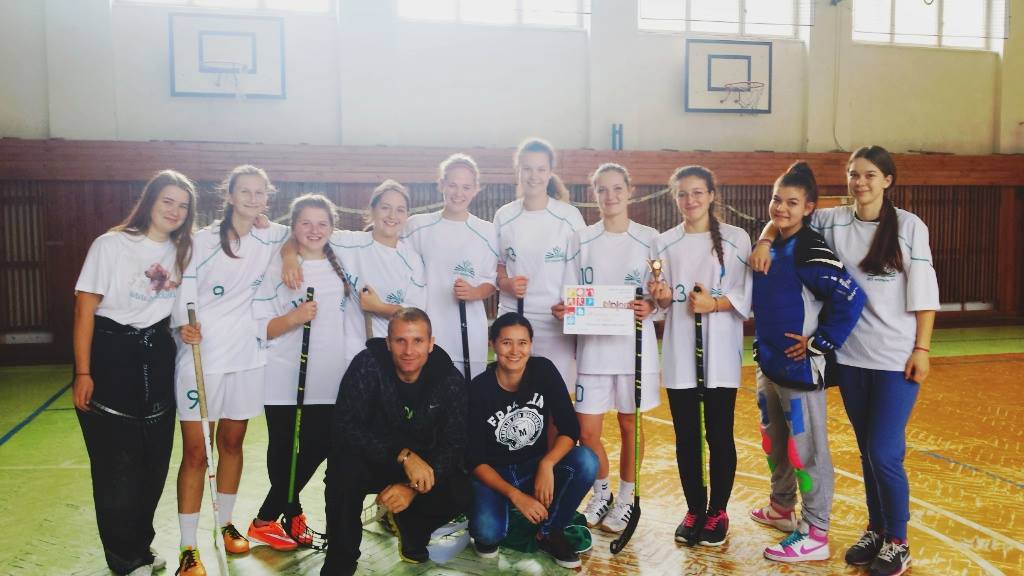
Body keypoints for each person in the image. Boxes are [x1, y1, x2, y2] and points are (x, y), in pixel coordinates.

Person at [750, 146, 939, 576]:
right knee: (867, 451)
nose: (860, 182)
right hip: (851, 357)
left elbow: (925, 293)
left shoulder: (909, 226)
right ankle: (876, 528)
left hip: (895, 358)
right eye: (854, 174)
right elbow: (785, 214)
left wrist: (922, 349)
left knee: (884, 452)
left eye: (870, 175)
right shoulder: (832, 219)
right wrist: (763, 240)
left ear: (887, 180)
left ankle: (898, 540)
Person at [72, 170, 196, 576]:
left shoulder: (183, 250)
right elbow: (85, 310)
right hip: (111, 355)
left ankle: (140, 545)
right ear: (150, 202)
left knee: (154, 461)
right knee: (117, 466)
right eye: (167, 201)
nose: (174, 211)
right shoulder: (111, 244)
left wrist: (183, 330)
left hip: (157, 354)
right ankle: (124, 557)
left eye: (183, 205)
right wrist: (84, 372)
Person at [171, 165, 290, 575]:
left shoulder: (271, 235)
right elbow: (182, 293)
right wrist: (181, 326)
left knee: (233, 443)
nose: (253, 199)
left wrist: (289, 252)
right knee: (195, 452)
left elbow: (300, 236)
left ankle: (224, 523)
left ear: (266, 198)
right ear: (229, 196)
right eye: (245, 192)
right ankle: (188, 546)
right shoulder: (200, 241)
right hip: (201, 357)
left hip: (247, 355)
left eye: (260, 193)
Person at [749, 162, 865, 563]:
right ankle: (782, 507)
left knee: (807, 452)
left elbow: (851, 297)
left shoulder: (811, 249)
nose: (781, 208)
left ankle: (816, 532)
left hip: (800, 371)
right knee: (774, 441)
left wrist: (820, 343)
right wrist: (764, 238)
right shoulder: (773, 241)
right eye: (777, 200)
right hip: (769, 365)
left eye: (792, 202)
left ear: (809, 207)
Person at [321, 308, 471, 576]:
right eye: (400, 340)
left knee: (464, 488)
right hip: (372, 458)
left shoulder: (449, 379)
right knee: (342, 471)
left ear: (431, 343)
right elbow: (344, 426)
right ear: (388, 343)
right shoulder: (367, 365)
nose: (408, 350)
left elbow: (454, 443)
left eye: (417, 341)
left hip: (420, 464)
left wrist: (412, 488)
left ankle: (411, 525)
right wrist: (402, 455)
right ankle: (340, 562)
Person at [649, 165, 751, 547]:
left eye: (697, 192)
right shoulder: (663, 242)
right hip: (680, 353)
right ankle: (694, 508)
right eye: (682, 194)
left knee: (719, 435)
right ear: (674, 198)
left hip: (721, 354)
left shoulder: (736, 239)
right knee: (687, 437)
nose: (689, 200)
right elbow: (658, 299)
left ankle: (718, 511)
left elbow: (744, 295)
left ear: (711, 195)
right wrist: (660, 298)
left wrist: (714, 304)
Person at [555, 163, 660, 533]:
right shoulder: (580, 240)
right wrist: (565, 309)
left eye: (617, 188)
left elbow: (659, 293)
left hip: (635, 349)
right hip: (593, 350)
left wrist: (651, 306)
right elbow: (569, 293)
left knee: (630, 424)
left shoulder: (650, 238)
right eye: (602, 189)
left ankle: (627, 498)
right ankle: (601, 493)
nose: (610, 196)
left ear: (630, 191)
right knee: (587, 432)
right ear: (594, 194)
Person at [247, 194, 351, 550]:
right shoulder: (275, 268)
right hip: (283, 373)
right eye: (305, 223)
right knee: (283, 449)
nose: (314, 230)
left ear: (333, 227)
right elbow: (262, 327)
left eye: (322, 223)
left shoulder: (343, 258)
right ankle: (289, 515)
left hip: (331, 375)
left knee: (319, 445)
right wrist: (294, 318)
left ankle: (266, 517)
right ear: (292, 227)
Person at [466, 313, 598, 568]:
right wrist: (516, 495)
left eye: (522, 343)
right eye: (506, 342)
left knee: (586, 460)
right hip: (494, 473)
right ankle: (501, 509)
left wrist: (547, 464)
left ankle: (550, 532)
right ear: (493, 344)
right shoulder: (479, 389)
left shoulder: (543, 371)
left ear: (531, 345)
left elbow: (570, 428)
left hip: (533, 466)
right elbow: (474, 461)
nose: (515, 351)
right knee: (488, 536)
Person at [285, 180, 425, 366]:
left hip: (393, 357)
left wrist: (380, 307)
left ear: (407, 215)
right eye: (385, 208)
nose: (392, 215)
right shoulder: (349, 242)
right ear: (372, 210)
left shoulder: (412, 260)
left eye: (400, 210)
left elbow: (416, 316)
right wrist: (289, 258)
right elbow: (303, 234)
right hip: (349, 355)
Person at [494, 138, 585, 391]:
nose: (534, 176)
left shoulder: (569, 217)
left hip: (555, 322)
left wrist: (572, 309)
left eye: (541, 169)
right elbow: (497, 265)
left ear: (550, 172)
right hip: (513, 319)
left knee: (555, 395)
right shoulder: (504, 215)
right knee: (513, 394)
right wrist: (506, 283)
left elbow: (585, 270)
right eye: (527, 168)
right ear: (518, 171)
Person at [404, 153, 498, 380]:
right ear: (441, 185)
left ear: (476, 189)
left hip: (469, 331)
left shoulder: (486, 231)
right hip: (427, 329)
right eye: (453, 185)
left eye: (466, 187)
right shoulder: (417, 226)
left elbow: (490, 282)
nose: (458, 193)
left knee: (469, 393)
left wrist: (474, 292)